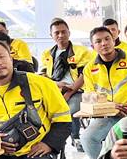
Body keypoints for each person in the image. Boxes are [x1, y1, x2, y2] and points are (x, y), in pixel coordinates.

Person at [79, 26, 127, 159]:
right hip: (107, 115)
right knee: (87, 138)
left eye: (107, 39)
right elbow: (89, 98)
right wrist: (111, 107)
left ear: (114, 40)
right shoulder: (89, 69)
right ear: (93, 46)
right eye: (98, 41)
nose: (104, 43)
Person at [40, 18, 96, 151]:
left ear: (69, 33)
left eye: (63, 32)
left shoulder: (81, 51)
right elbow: (43, 75)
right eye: (56, 33)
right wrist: (56, 84)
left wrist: (68, 93)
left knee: (70, 110)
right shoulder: (47, 54)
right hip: (55, 89)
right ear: (51, 35)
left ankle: (75, 138)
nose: (60, 35)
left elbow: (84, 76)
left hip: (77, 90)